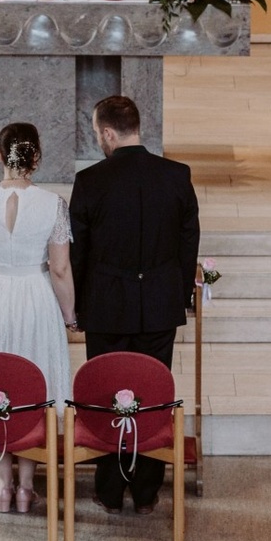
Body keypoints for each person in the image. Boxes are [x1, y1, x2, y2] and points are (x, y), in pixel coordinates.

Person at [69, 95, 200, 514]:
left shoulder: (90, 181)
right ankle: (146, 491)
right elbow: (187, 244)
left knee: (107, 394)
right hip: (159, 305)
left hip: (106, 306)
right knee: (152, 394)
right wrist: (176, 296)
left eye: (96, 134)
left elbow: (79, 254)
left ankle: (110, 490)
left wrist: (77, 308)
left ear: (108, 132)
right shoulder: (177, 176)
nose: (98, 141)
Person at [0, 122, 77, 514]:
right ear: (37, 158)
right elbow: (60, 270)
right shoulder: (53, 204)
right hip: (35, 295)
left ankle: (2, 487)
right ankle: (27, 487)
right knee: (34, 388)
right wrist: (69, 315)